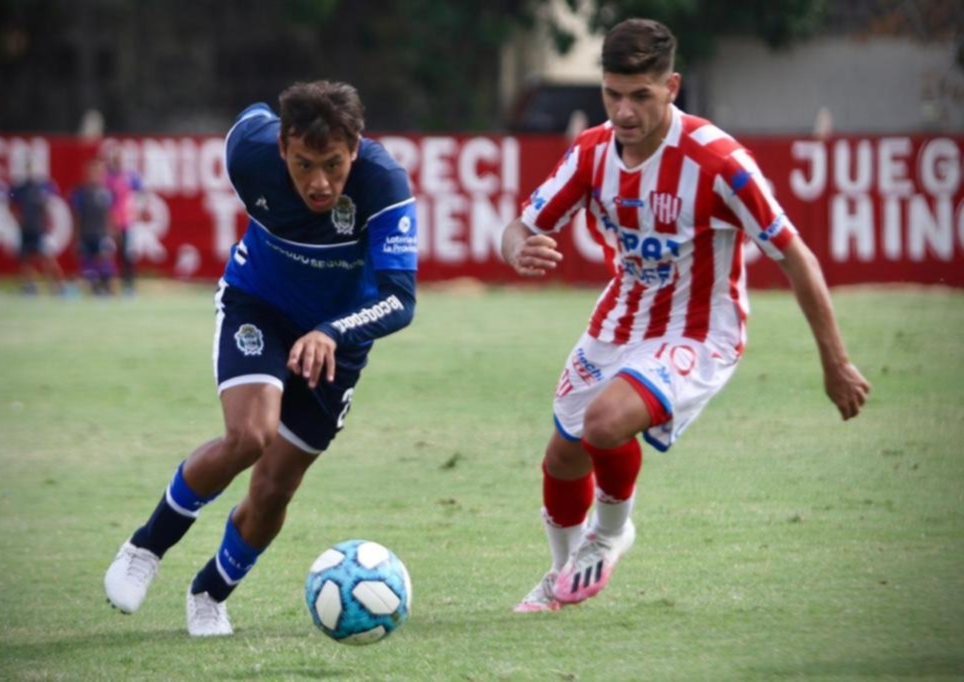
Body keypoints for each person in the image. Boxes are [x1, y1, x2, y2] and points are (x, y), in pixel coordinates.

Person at [501, 18, 871, 613]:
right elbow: (521, 226)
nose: (623, 112)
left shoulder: (719, 161)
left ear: (671, 86)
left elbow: (795, 256)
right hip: (620, 319)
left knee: (603, 423)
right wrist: (516, 245)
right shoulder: (592, 153)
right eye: (612, 94)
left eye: (640, 95)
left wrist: (836, 362)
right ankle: (561, 575)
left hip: (699, 331)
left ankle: (613, 529)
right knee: (562, 454)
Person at [103, 81, 419, 637]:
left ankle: (209, 593)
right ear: (280, 148)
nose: (318, 183)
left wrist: (330, 332)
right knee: (251, 435)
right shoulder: (248, 150)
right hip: (260, 307)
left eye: (333, 164)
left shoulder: (383, 183)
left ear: (356, 146)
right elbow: (249, 114)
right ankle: (145, 548)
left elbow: (400, 299)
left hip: (336, 341)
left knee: (275, 487)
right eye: (302, 164)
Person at [9, 158, 66, 295]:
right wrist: (18, 219)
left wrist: (47, 222)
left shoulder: (44, 186)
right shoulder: (20, 187)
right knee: (26, 259)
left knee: (48, 258)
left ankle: (58, 285)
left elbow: (51, 204)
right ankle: (30, 285)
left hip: (41, 229)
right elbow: (11, 204)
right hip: (26, 229)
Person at [70, 158, 116, 295]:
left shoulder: (106, 192)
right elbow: (76, 216)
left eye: (98, 172)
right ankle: (94, 289)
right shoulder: (80, 192)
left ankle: (107, 288)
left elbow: (109, 214)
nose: (95, 175)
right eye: (93, 172)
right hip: (86, 232)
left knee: (105, 259)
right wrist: (76, 236)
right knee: (87, 263)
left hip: (102, 232)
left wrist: (111, 232)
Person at [104, 146, 144, 295]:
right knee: (109, 254)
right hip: (111, 223)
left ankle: (129, 285)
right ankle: (107, 285)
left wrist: (136, 211)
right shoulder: (107, 177)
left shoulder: (129, 176)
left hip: (127, 221)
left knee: (128, 254)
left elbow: (140, 193)